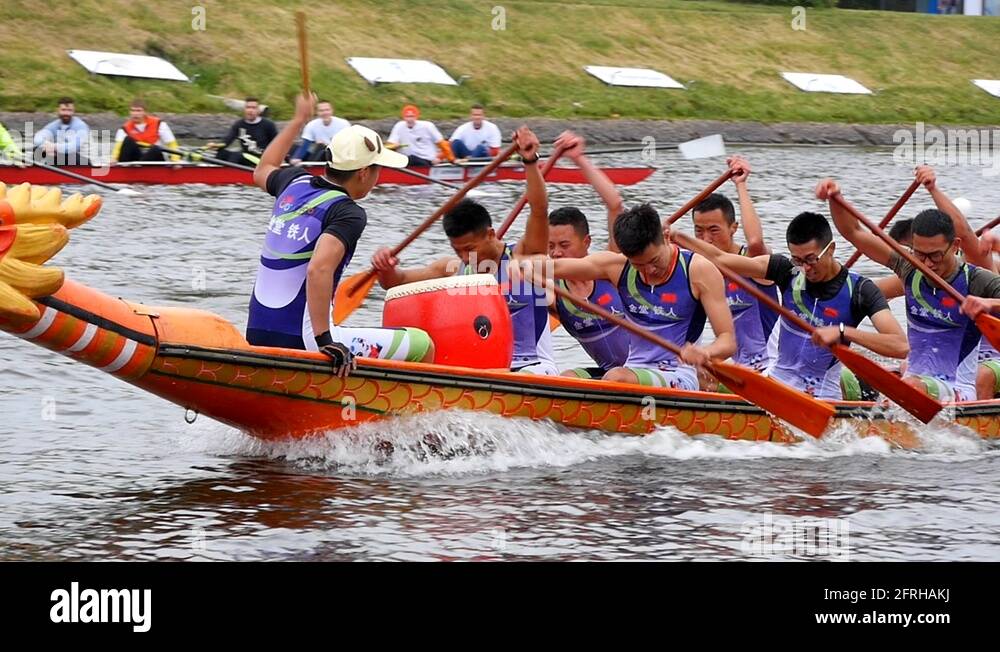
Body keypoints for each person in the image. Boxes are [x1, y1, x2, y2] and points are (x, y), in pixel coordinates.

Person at [247, 93, 434, 373]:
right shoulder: (348, 212)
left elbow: (262, 169)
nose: (378, 176)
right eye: (377, 168)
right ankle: (401, 415)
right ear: (362, 173)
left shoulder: (293, 182)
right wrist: (325, 340)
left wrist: (298, 120)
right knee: (422, 343)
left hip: (257, 332)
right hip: (306, 341)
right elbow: (318, 270)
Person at [371, 127, 557, 374]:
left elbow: (539, 208)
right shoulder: (452, 270)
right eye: (456, 250)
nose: (463, 256)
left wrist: (530, 161)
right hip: (482, 369)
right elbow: (396, 282)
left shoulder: (525, 258)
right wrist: (385, 267)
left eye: (469, 248)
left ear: (490, 234)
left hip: (533, 367)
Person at [676, 210, 908, 400]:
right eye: (798, 259)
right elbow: (720, 259)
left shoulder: (861, 291)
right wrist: (678, 237)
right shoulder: (785, 270)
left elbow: (899, 345)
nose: (805, 268)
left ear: (832, 249)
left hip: (821, 396)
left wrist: (843, 332)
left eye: (810, 259)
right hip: (775, 384)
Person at [821, 177, 1000, 402]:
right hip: (914, 382)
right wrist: (835, 198)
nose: (927, 264)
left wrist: (989, 303)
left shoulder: (976, 280)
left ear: (955, 246)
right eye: (919, 254)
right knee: (839, 376)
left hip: (957, 389)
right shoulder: (909, 268)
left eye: (935, 255)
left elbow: (964, 231)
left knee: (912, 387)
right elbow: (854, 232)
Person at [548, 203, 736, 388]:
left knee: (616, 377)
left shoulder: (699, 270)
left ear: (666, 237)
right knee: (566, 381)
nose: (649, 271)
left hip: (678, 373)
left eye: (654, 260)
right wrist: (522, 265)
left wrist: (705, 352)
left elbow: (728, 340)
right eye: (638, 265)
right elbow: (556, 267)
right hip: (632, 370)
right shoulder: (618, 267)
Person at [545, 131, 630, 379]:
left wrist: (579, 159)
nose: (556, 253)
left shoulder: (610, 269)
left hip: (648, 370)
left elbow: (614, 204)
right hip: (608, 375)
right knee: (567, 378)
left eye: (564, 244)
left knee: (615, 376)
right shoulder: (553, 293)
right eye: (550, 246)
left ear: (586, 243)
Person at [690, 156, 779, 377]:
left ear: (733, 228)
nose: (706, 239)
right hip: (742, 368)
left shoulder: (751, 261)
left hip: (774, 367)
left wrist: (741, 185)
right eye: (698, 231)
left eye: (714, 230)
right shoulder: (700, 270)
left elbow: (756, 242)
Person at [210, 97, 278, 165]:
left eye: (253, 108)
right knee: (221, 153)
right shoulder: (239, 124)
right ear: (244, 109)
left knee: (236, 156)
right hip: (246, 156)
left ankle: (231, 173)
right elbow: (227, 140)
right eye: (248, 107)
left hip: (261, 159)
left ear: (258, 111)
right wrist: (216, 145)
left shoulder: (268, 124)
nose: (250, 110)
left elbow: (278, 143)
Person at [111, 99, 181, 163]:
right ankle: (126, 170)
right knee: (128, 140)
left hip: (154, 158)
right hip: (136, 159)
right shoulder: (124, 129)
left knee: (155, 149)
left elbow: (172, 144)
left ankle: (140, 169)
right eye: (133, 110)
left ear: (145, 112)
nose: (135, 114)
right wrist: (114, 158)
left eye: (138, 110)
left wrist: (175, 160)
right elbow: (117, 147)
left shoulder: (159, 124)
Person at [385, 105, 455, 167]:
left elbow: (444, 145)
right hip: (406, 160)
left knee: (411, 158)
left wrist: (449, 159)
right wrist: (394, 146)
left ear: (416, 117)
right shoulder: (399, 126)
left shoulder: (428, 126)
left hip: (426, 160)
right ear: (403, 117)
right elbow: (389, 145)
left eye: (412, 116)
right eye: (407, 117)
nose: (409, 119)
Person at [32, 97, 91, 166]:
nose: (66, 113)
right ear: (58, 110)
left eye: (69, 110)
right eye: (63, 110)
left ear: (73, 111)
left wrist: (54, 147)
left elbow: (73, 147)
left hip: (85, 162)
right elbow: (37, 138)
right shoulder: (55, 125)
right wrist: (46, 146)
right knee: (37, 150)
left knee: (63, 154)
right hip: (65, 158)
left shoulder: (80, 126)